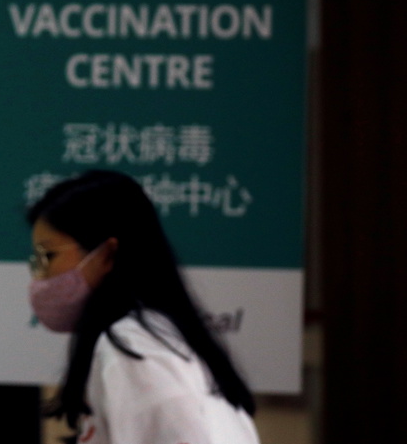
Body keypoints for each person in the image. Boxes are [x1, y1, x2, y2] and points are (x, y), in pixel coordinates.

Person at [27, 170, 260, 444]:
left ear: (108, 254)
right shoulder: (157, 335)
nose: (39, 276)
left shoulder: (133, 349)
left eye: (48, 256)